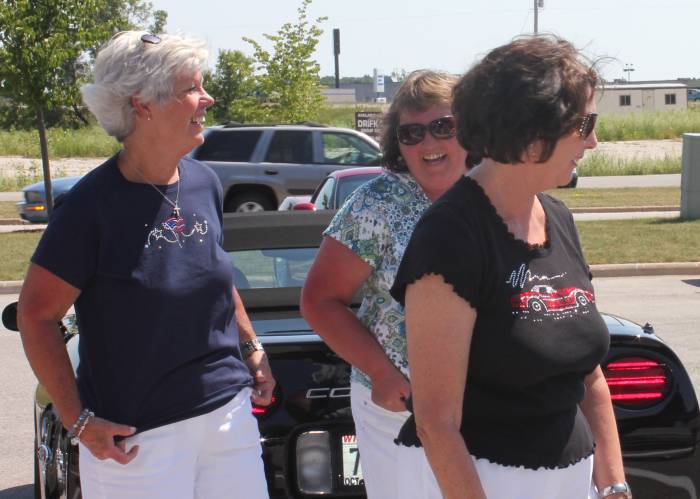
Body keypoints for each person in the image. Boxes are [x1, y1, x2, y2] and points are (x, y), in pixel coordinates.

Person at [17, 31, 274, 499]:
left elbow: (214, 274)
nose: (208, 98)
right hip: (137, 441)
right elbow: (35, 315)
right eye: (192, 88)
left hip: (227, 417)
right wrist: (78, 421)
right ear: (143, 104)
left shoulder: (204, 183)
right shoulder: (89, 207)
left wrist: (252, 346)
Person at [390, 35, 629, 499]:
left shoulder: (557, 218)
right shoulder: (451, 234)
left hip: (568, 479)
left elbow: (589, 374)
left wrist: (615, 485)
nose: (593, 141)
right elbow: (437, 423)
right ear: (531, 133)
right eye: (584, 124)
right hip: (475, 481)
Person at [301, 69, 468, 499]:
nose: (428, 142)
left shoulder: (496, 195)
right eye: (411, 133)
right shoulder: (376, 203)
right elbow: (320, 300)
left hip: (491, 406)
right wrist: (381, 373)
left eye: (443, 126)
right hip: (402, 410)